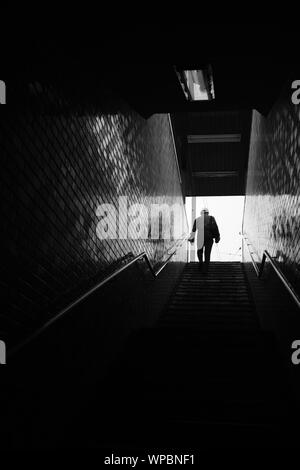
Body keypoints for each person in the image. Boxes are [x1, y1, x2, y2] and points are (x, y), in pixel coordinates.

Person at [188, 208, 220, 273]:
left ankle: (200, 262)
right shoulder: (211, 218)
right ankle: (206, 268)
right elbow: (215, 227)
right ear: (207, 213)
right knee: (207, 253)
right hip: (209, 237)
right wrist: (217, 237)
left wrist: (192, 238)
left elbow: (193, 230)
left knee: (199, 251)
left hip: (200, 237)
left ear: (201, 213)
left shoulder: (197, 219)